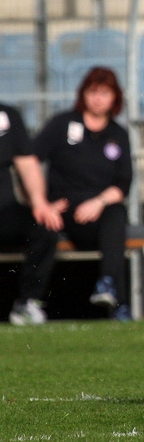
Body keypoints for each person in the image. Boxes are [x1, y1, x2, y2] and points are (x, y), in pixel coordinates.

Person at [33, 66, 133, 322]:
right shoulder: (61, 124)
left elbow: (123, 184)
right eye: (93, 91)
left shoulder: (118, 135)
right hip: (61, 211)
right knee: (41, 229)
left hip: (96, 212)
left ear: (115, 97)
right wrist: (42, 204)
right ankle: (30, 303)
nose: (98, 98)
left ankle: (110, 288)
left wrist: (98, 203)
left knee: (116, 214)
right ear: (83, 94)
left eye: (104, 92)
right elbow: (29, 161)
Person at [0, 102, 67, 325]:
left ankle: (27, 302)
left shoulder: (8, 115)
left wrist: (40, 203)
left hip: (4, 211)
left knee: (45, 226)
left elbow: (27, 163)